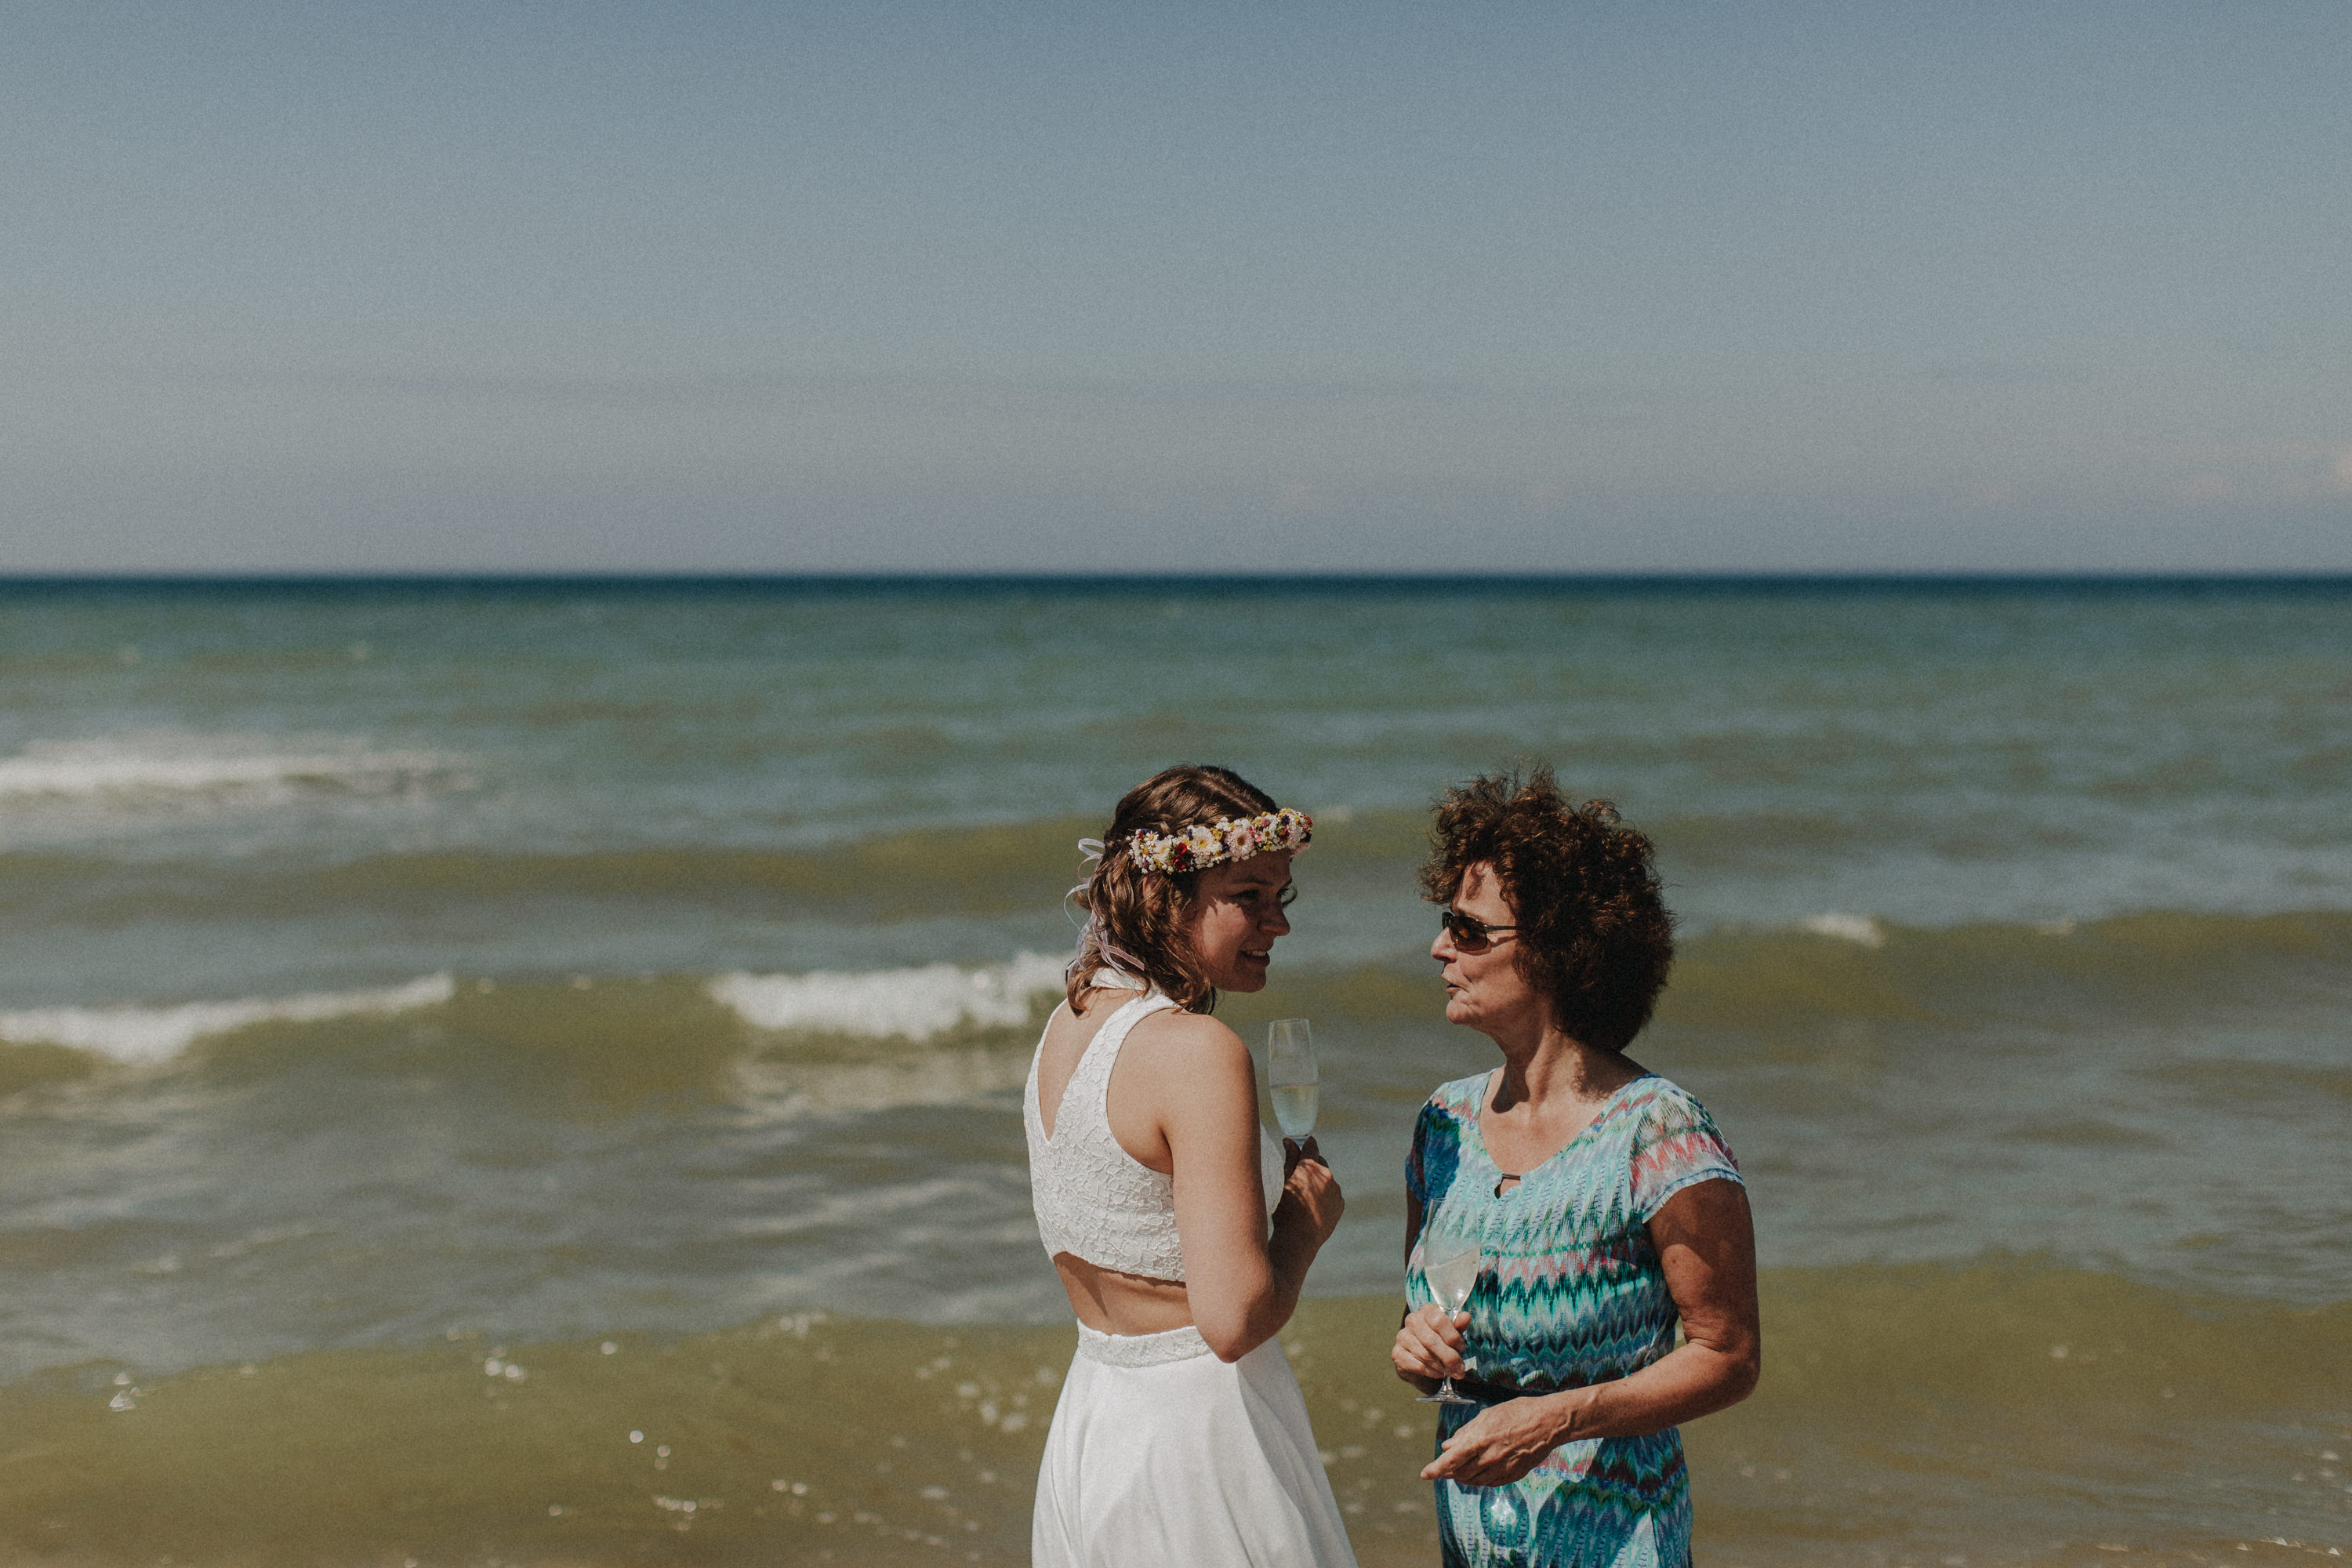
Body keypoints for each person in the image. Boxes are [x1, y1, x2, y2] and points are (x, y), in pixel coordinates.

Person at [1390, 770, 1759, 1568]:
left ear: (1558, 951)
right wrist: (1415, 1346)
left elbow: (1729, 1354)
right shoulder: (1443, 1125)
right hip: (1472, 1543)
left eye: (1470, 928)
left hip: (1616, 1540)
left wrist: (1561, 1415)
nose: (1439, 946)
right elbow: (1429, 1324)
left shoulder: (1659, 1130)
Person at [1025, 764, 1358, 1568]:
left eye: (1283, 895)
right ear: (1164, 894)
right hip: (1198, 1438)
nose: (1278, 922)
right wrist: (1302, 1231)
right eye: (1249, 894)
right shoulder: (1197, 1049)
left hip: (1093, 1422)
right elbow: (1233, 1318)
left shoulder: (1067, 1025)